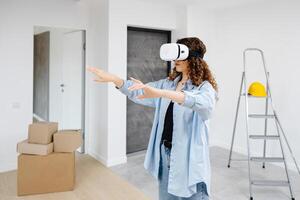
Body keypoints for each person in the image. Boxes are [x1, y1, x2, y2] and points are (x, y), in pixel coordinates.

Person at [87, 37, 218, 200]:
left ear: (192, 58)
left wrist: (161, 93)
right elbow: (140, 91)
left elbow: (200, 102)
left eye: (179, 55)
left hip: (188, 157)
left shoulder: (205, 88)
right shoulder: (169, 83)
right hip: (165, 152)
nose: (175, 60)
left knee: (193, 195)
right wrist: (115, 80)